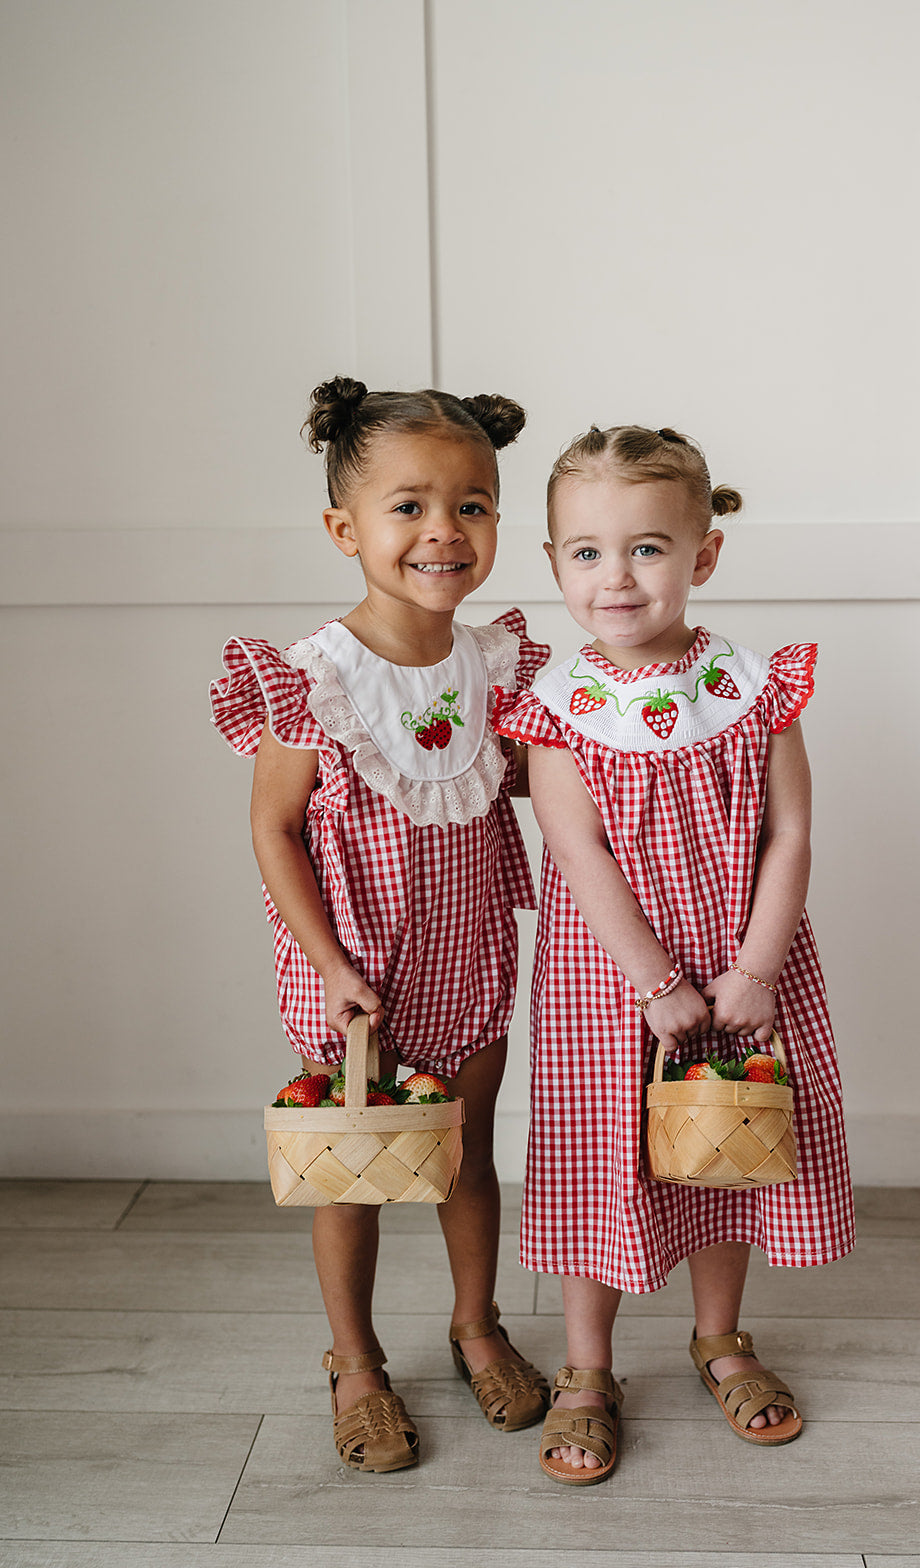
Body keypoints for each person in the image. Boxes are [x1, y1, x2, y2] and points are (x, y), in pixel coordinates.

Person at [496, 424, 854, 1484]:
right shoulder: (557, 709)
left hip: (745, 967)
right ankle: (585, 1365)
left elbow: (788, 831)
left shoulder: (750, 688)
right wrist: (654, 982)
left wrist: (752, 969)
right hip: (610, 984)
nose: (616, 575)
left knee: (724, 1152)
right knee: (595, 1159)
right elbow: (578, 849)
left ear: (701, 556)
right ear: (555, 561)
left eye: (647, 547)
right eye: (586, 551)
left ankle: (718, 1335)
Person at [210, 379, 551, 1472]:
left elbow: (565, 792)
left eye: (472, 503)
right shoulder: (314, 677)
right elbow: (273, 832)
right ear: (342, 528)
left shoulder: (499, 664)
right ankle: (354, 1359)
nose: (443, 530)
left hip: (467, 955)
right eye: (408, 505)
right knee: (349, 1171)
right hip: (350, 964)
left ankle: (475, 1321)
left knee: (466, 1153)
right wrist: (330, 965)